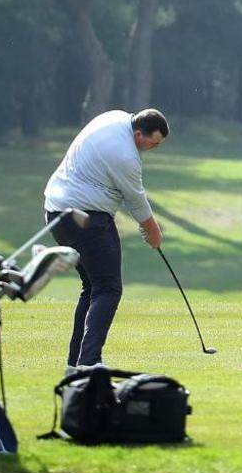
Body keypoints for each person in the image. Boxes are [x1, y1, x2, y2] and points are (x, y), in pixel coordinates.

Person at [43, 108, 169, 373]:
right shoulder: (125, 156)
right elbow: (135, 199)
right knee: (108, 289)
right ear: (138, 134)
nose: (153, 149)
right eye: (152, 143)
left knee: (92, 288)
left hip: (56, 213)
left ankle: (75, 365)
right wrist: (153, 232)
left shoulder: (113, 117)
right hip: (85, 218)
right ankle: (89, 363)